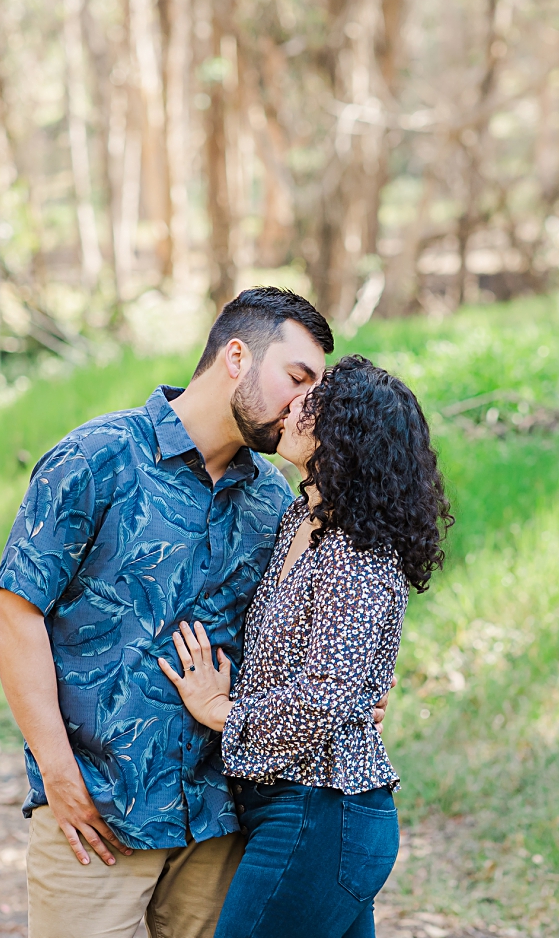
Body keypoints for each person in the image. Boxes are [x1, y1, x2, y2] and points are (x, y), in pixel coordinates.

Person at [0, 288, 388, 938]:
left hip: (221, 819)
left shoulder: (274, 501)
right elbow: (14, 612)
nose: (305, 403)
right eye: (296, 377)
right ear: (236, 355)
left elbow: (306, 628)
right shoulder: (98, 457)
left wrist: (354, 685)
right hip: (97, 813)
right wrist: (57, 774)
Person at [160, 355, 451, 938]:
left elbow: (327, 698)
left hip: (323, 812)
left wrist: (223, 712)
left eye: (314, 402)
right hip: (288, 810)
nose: (293, 405)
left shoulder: (358, 551)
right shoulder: (299, 518)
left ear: (346, 432)